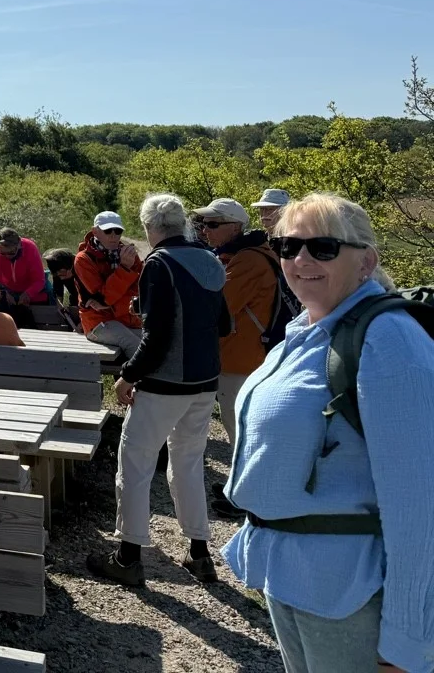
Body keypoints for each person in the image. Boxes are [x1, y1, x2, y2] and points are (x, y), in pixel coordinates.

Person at [222, 194, 434, 673]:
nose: (300, 260)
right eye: (288, 246)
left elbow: (421, 506)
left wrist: (408, 639)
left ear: (367, 262)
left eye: (323, 247)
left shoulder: (389, 342)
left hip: (350, 588)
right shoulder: (307, 329)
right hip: (296, 576)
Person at [87, 194, 231, 587]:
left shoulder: (159, 263)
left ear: (150, 227)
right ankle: (199, 553)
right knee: (187, 463)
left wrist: (128, 376)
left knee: (135, 464)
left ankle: (128, 556)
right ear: (182, 223)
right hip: (205, 382)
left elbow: (157, 336)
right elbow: (223, 326)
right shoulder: (210, 260)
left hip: (164, 383)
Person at [190, 199, 278, 449]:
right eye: (204, 224)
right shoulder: (247, 253)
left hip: (240, 358)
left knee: (239, 426)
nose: (205, 230)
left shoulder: (248, 260)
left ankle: (245, 486)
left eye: (213, 224)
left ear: (235, 227)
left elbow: (218, 306)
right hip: (243, 354)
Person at [74, 211, 144, 360]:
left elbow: (141, 289)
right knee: (136, 347)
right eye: (107, 230)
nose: (113, 235)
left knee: (156, 342)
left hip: (127, 319)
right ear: (95, 232)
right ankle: (139, 382)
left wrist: (113, 302)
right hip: (98, 322)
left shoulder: (128, 254)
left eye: (118, 231)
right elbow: (104, 298)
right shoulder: (83, 259)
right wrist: (124, 269)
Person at [0, 228, 46, 328]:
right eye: (3, 253)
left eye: (11, 252)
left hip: (30, 286)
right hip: (7, 287)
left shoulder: (30, 248)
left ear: (19, 244)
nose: (7, 256)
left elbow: (39, 280)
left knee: (43, 305)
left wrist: (28, 293)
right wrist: (4, 292)